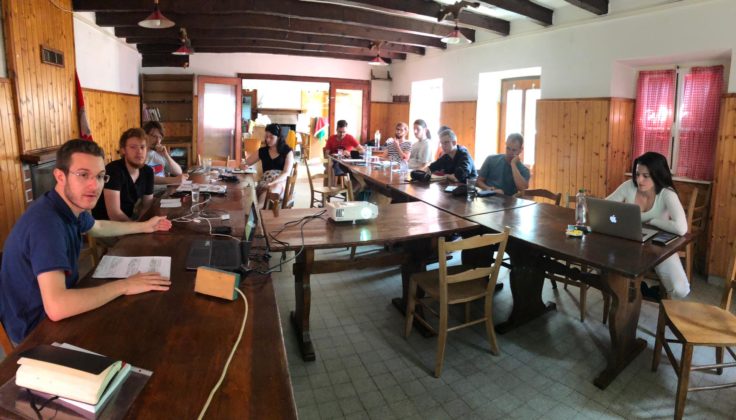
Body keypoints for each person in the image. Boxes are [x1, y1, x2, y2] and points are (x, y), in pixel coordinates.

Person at [0, 139, 172, 345]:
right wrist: (126, 285)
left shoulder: (68, 205)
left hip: (57, 309)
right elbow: (57, 307)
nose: (94, 185)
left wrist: (144, 226)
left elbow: (97, 227)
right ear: (60, 176)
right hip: (35, 331)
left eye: (99, 176)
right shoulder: (46, 224)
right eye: (83, 175)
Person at [607, 151, 689, 299]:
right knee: (604, 269)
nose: (639, 180)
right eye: (637, 174)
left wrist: (653, 221)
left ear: (657, 175)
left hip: (658, 246)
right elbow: (605, 205)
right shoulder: (629, 186)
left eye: (646, 176)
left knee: (680, 289)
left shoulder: (667, 193)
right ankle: (631, 292)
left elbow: (681, 228)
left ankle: (648, 291)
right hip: (630, 242)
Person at [93, 128, 155, 222]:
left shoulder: (148, 172)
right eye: (133, 147)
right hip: (105, 225)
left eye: (142, 147)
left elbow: (147, 206)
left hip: (129, 222)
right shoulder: (113, 170)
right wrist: (138, 227)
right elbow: (114, 214)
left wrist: (141, 224)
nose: (139, 151)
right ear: (123, 150)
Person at [244, 123, 295, 205]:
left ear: (278, 137)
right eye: (266, 136)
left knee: (274, 188)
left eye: (271, 137)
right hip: (266, 182)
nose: (267, 139)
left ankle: (261, 208)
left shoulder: (287, 151)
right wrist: (243, 166)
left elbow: (286, 173)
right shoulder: (262, 151)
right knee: (264, 191)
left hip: (281, 181)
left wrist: (273, 183)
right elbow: (246, 163)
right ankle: (261, 208)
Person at [143, 121, 187, 185]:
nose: (158, 141)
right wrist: (172, 180)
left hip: (163, 190)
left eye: (160, 137)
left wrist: (166, 155)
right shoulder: (139, 154)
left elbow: (178, 172)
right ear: (145, 136)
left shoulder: (160, 153)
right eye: (154, 136)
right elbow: (144, 177)